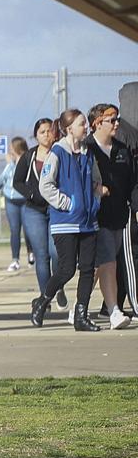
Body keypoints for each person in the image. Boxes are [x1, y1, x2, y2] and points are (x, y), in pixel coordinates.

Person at [30, 109, 104, 332]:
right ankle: (42, 302)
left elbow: (97, 181)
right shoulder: (58, 152)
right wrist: (68, 203)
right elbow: (45, 186)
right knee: (66, 269)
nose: (86, 127)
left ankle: (81, 315)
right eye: (82, 124)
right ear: (69, 128)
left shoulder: (88, 153)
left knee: (88, 269)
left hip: (88, 221)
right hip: (65, 222)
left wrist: (95, 201)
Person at [86, 103, 135, 329]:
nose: (116, 124)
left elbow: (132, 182)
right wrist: (96, 189)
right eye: (111, 120)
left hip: (119, 215)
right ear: (97, 123)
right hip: (95, 216)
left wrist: (134, 207)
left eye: (117, 119)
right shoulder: (87, 149)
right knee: (109, 262)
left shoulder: (122, 150)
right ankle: (114, 311)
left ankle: (80, 305)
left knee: (99, 266)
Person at [14, 119, 63, 307]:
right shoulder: (29, 156)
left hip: (56, 209)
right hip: (34, 211)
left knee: (56, 253)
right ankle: (45, 298)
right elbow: (17, 182)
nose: (46, 135)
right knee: (41, 256)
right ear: (36, 135)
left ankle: (58, 286)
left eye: (49, 131)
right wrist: (31, 194)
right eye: (42, 132)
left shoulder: (60, 153)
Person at [0, 137, 30, 273]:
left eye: (11, 147)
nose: (9, 149)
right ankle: (15, 259)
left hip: (25, 200)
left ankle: (31, 253)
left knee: (29, 229)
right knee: (14, 230)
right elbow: (1, 179)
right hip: (11, 200)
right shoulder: (10, 164)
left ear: (16, 148)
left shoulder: (28, 161)